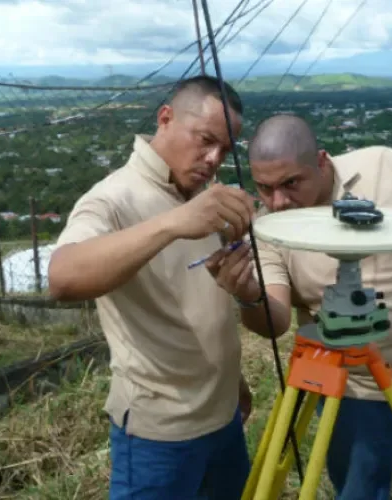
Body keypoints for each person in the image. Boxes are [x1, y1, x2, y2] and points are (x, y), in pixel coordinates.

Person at [205, 114, 392, 500]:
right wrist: (247, 294)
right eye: (265, 189)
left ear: (321, 161)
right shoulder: (272, 230)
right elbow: (276, 319)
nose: (279, 201)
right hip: (354, 392)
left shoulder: (383, 165)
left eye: (291, 183)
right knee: (360, 491)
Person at [48, 75, 257, 500]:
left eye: (225, 150)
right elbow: (62, 277)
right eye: (205, 139)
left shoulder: (205, 196)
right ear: (165, 118)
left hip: (224, 420)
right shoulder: (112, 199)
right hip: (158, 436)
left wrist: (234, 384)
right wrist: (170, 224)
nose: (213, 158)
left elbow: (205, 308)